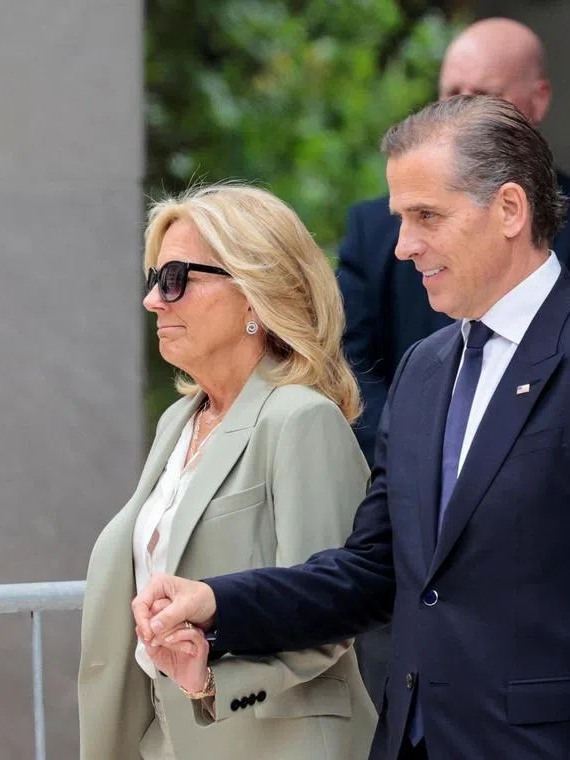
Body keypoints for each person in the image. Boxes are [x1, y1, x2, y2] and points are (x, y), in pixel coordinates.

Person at [133, 96, 570, 760]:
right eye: (400, 219)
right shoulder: (424, 368)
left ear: (510, 209)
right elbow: (372, 570)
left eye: (426, 216)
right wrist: (216, 604)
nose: (403, 246)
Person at [78, 184, 377, 760]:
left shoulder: (302, 420)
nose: (153, 301)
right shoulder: (178, 422)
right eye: (154, 279)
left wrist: (213, 684)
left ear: (255, 296)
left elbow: (331, 610)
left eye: (176, 279)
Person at [339, 16, 570, 467]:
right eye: (453, 93)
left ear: (538, 100)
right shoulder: (374, 231)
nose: (407, 243)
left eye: (484, 95)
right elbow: (350, 366)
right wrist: (412, 464)